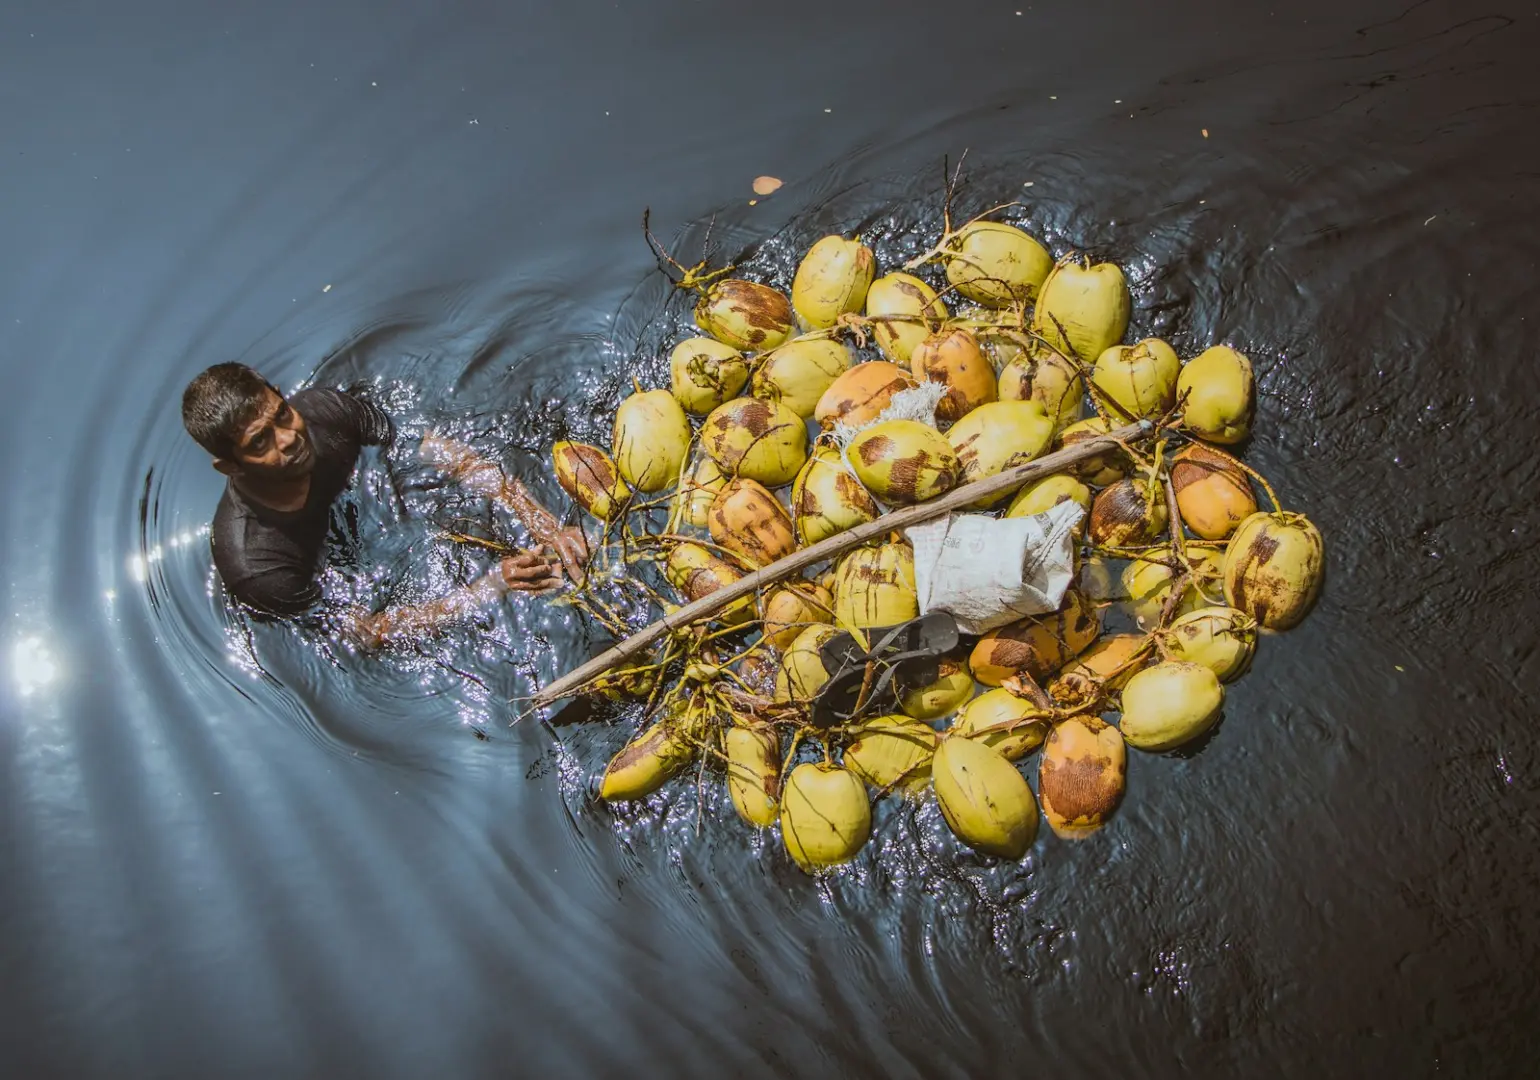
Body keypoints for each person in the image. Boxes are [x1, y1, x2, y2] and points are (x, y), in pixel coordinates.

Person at [180, 362, 587, 645]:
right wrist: (491, 586)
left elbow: (436, 451)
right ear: (230, 467)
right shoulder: (257, 564)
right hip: (345, 573)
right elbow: (367, 633)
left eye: (282, 414)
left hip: (374, 504)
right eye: (259, 442)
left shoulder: (326, 411)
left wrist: (539, 520)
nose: (287, 437)